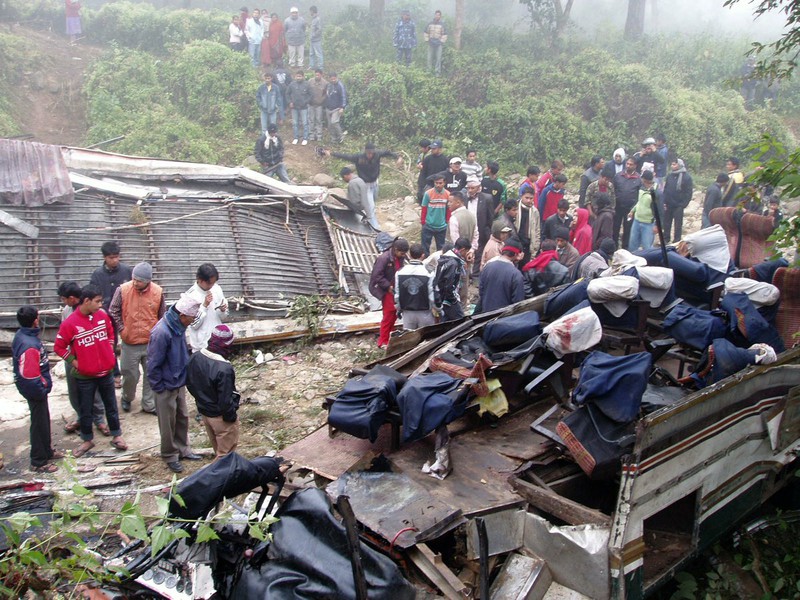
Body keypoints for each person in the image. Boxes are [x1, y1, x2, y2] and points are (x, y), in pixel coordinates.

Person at [54, 284, 127, 458]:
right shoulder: (70, 323)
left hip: (106, 373)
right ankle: (87, 439)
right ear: (86, 301)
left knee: (111, 406)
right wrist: (74, 362)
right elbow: (59, 347)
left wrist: (109, 348)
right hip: (85, 376)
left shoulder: (102, 316)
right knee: (85, 409)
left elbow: (110, 332)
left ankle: (117, 435)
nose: (101, 305)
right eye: (97, 301)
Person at [147, 295, 203, 473]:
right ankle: (170, 455)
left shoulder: (178, 326)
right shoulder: (161, 332)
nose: (193, 321)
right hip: (165, 386)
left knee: (182, 417)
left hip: (178, 382)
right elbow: (153, 364)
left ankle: (183, 449)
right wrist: (159, 388)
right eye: (192, 318)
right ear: (182, 315)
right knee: (167, 423)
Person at [109, 262, 165, 414]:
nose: (135, 282)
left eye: (139, 280)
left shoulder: (158, 292)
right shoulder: (123, 290)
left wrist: (157, 334)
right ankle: (127, 397)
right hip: (130, 341)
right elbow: (113, 310)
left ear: (148, 281)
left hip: (150, 342)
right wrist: (122, 329)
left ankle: (148, 403)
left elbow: (162, 316)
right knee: (129, 373)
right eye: (134, 279)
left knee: (150, 374)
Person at [13, 305, 63, 473]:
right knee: (38, 423)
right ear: (35, 320)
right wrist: (42, 388)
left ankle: (47, 451)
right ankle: (38, 461)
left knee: (43, 420)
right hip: (35, 390)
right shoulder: (29, 345)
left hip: (37, 389)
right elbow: (29, 375)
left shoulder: (24, 336)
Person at [58, 281, 108, 437]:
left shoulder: (94, 310)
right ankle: (81, 416)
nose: (63, 302)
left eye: (64, 298)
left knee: (94, 390)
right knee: (74, 390)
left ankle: (99, 419)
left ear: (72, 298)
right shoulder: (67, 311)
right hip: (73, 357)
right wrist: (71, 359)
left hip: (90, 356)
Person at [186, 325, 240, 459]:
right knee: (225, 457)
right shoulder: (224, 368)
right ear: (226, 346)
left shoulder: (196, 357)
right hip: (220, 417)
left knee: (218, 449)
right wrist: (231, 418)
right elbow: (225, 399)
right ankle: (219, 478)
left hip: (205, 412)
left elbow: (190, 383)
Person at [330, 143, 400, 209]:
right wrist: (331, 153)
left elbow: (387, 152)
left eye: (371, 153)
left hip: (375, 183)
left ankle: (366, 213)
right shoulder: (359, 157)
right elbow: (345, 156)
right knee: (370, 206)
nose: (370, 155)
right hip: (365, 185)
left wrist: (398, 157)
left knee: (374, 201)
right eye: (368, 153)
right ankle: (370, 219)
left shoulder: (377, 154)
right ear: (365, 151)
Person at [369, 238, 409, 348]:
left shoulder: (400, 257)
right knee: (388, 315)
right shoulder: (384, 258)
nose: (403, 255)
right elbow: (377, 276)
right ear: (395, 249)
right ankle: (382, 341)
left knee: (394, 315)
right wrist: (388, 286)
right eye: (402, 253)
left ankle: (389, 337)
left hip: (395, 289)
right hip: (386, 290)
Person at [184, 263, 229, 354]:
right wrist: (204, 306)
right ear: (200, 280)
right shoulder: (191, 296)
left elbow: (223, 317)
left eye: (214, 282)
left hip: (217, 342)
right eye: (209, 283)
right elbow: (194, 324)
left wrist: (223, 310)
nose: (211, 285)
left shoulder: (216, 289)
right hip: (202, 346)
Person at [394, 243, 436, 330]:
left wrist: (398, 309)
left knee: (409, 340)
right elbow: (432, 295)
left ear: (409, 255)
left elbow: (397, 295)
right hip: (425, 312)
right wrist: (438, 309)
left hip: (407, 313)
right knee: (427, 339)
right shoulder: (429, 273)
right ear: (423, 256)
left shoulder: (400, 272)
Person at [477, 240, 525, 314]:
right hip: (504, 319)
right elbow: (518, 303)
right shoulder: (516, 274)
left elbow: (481, 291)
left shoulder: (487, 267)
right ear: (516, 254)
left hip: (485, 315)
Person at [434, 238, 472, 322]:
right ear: (463, 249)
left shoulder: (445, 259)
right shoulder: (453, 263)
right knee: (462, 324)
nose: (466, 254)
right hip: (449, 300)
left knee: (445, 324)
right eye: (466, 251)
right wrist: (453, 299)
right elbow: (449, 284)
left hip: (442, 298)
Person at [464, 177, 495, 277]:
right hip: (467, 230)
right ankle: (466, 274)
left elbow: (490, 217)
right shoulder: (464, 198)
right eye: (468, 188)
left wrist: (488, 231)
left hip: (481, 230)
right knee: (466, 251)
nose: (470, 190)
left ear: (478, 187)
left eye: (472, 188)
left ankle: (476, 274)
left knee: (479, 252)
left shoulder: (487, 198)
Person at [662, 158, 694, 242]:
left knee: (678, 224)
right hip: (669, 204)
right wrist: (664, 201)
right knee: (667, 223)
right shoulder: (670, 175)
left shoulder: (686, 177)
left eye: (674, 164)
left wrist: (683, 204)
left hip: (678, 205)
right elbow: (666, 188)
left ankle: (676, 240)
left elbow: (688, 192)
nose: (672, 166)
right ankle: (666, 239)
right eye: (672, 164)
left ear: (679, 165)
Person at [627, 170, 660, 251]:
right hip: (637, 221)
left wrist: (657, 225)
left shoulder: (656, 192)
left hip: (648, 224)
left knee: (647, 247)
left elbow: (659, 211)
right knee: (632, 245)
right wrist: (632, 211)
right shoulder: (641, 188)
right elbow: (639, 202)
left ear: (644, 179)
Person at [613, 157, 642, 248]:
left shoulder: (638, 179)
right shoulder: (618, 176)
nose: (628, 166)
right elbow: (613, 189)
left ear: (635, 166)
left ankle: (625, 248)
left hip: (630, 209)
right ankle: (614, 246)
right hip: (617, 206)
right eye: (627, 164)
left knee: (628, 228)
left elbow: (640, 194)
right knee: (615, 227)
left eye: (631, 164)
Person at [420, 174, 450, 257]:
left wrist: (447, 221)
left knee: (441, 248)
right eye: (436, 183)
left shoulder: (448, 194)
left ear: (444, 183)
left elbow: (448, 209)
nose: (438, 185)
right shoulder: (428, 193)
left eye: (440, 183)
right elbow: (424, 208)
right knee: (425, 247)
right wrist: (423, 222)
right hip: (429, 224)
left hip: (441, 226)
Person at [517, 187, 541, 267]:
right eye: (526, 198)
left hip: (528, 245)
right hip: (516, 242)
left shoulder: (535, 211)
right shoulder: (516, 208)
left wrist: (535, 248)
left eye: (531, 198)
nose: (528, 200)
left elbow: (537, 231)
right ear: (521, 196)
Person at [286, 70, 311, 145]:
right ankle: (296, 137)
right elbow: (287, 94)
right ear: (295, 76)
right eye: (297, 76)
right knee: (295, 123)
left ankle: (305, 138)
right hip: (294, 107)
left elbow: (310, 95)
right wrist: (290, 102)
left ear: (303, 77)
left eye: (300, 76)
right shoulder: (292, 84)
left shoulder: (307, 85)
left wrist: (306, 102)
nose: (298, 78)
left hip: (304, 107)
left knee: (305, 123)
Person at [324, 71, 347, 145]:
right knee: (330, 125)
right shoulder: (329, 85)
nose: (333, 80)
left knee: (334, 122)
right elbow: (326, 95)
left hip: (337, 108)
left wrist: (342, 107)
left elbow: (344, 97)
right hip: (328, 108)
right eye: (331, 79)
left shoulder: (340, 85)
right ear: (329, 79)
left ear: (337, 77)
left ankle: (341, 136)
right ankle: (333, 139)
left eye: (334, 79)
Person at [424, 10, 447, 76]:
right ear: (434, 15)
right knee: (429, 58)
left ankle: (437, 73)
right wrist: (427, 40)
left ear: (440, 16)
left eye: (439, 15)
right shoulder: (430, 23)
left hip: (439, 44)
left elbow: (445, 34)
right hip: (431, 43)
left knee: (438, 59)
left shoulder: (442, 24)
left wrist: (441, 42)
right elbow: (426, 32)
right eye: (436, 15)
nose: (437, 16)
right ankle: (428, 72)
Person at [307, 69, 327, 142]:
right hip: (311, 104)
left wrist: (321, 101)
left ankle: (319, 136)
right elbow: (307, 91)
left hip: (319, 105)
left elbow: (325, 94)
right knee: (311, 120)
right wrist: (308, 100)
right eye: (316, 74)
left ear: (321, 75)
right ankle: (311, 135)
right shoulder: (310, 81)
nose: (317, 76)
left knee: (319, 120)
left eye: (318, 75)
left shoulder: (325, 83)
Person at [309, 6, 323, 70]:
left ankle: (320, 67)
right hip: (312, 40)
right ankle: (312, 66)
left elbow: (319, 30)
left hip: (317, 40)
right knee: (311, 54)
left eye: (310, 11)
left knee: (318, 54)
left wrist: (314, 35)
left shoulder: (317, 19)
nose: (310, 12)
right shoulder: (313, 19)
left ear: (312, 11)